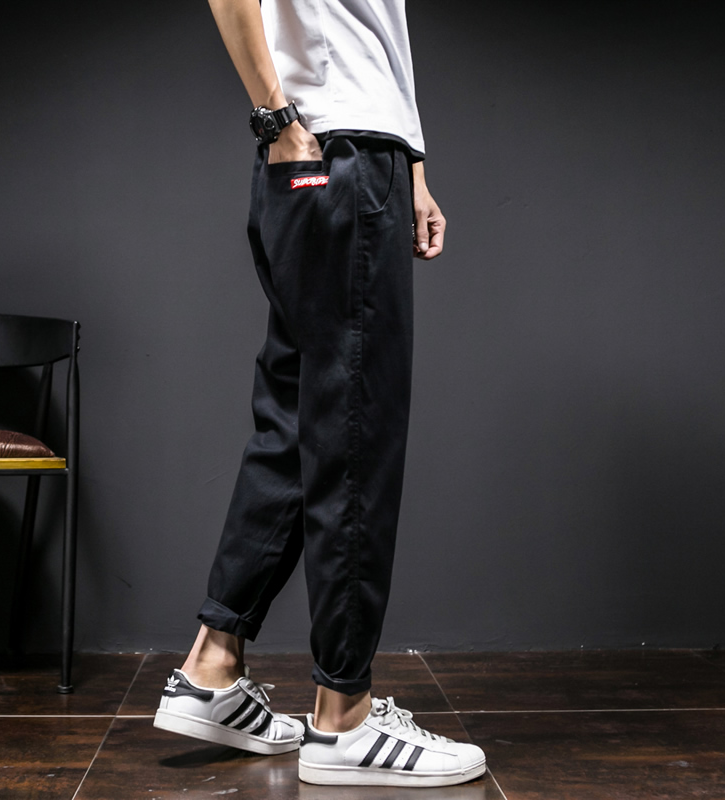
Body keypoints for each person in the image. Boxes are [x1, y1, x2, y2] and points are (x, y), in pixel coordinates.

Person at [154, 0, 486, 788]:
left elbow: (377, 36)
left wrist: (413, 167)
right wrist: (278, 119)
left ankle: (212, 667)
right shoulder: (310, 134)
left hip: (348, 154)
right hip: (338, 154)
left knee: (295, 424)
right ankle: (344, 718)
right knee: (355, 435)